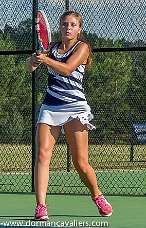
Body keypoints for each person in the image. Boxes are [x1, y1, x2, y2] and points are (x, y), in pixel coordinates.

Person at [26, 10, 113, 220]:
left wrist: (46, 61)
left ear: (79, 29)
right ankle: (41, 206)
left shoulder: (82, 48)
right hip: (50, 107)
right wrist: (35, 59)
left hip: (74, 108)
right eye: (65, 24)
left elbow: (66, 69)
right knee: (42, 155)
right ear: (60, 27)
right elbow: (30, 68)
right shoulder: (52, 49)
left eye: (73, 25)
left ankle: (97, 195)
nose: (68, 28)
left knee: (80, 163)